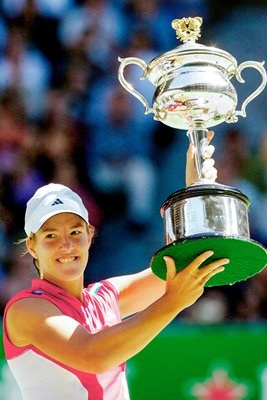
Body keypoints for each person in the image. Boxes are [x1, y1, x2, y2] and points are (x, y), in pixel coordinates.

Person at [2, 134, 228, 400]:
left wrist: (194, 191)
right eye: (51, 236)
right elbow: (93, 355)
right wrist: (172, 303)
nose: (66, 244)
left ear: (90, 235)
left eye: (75, 232)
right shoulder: (25, 309)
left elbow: (184, 266)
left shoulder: (103, 296)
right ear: (31, 246)